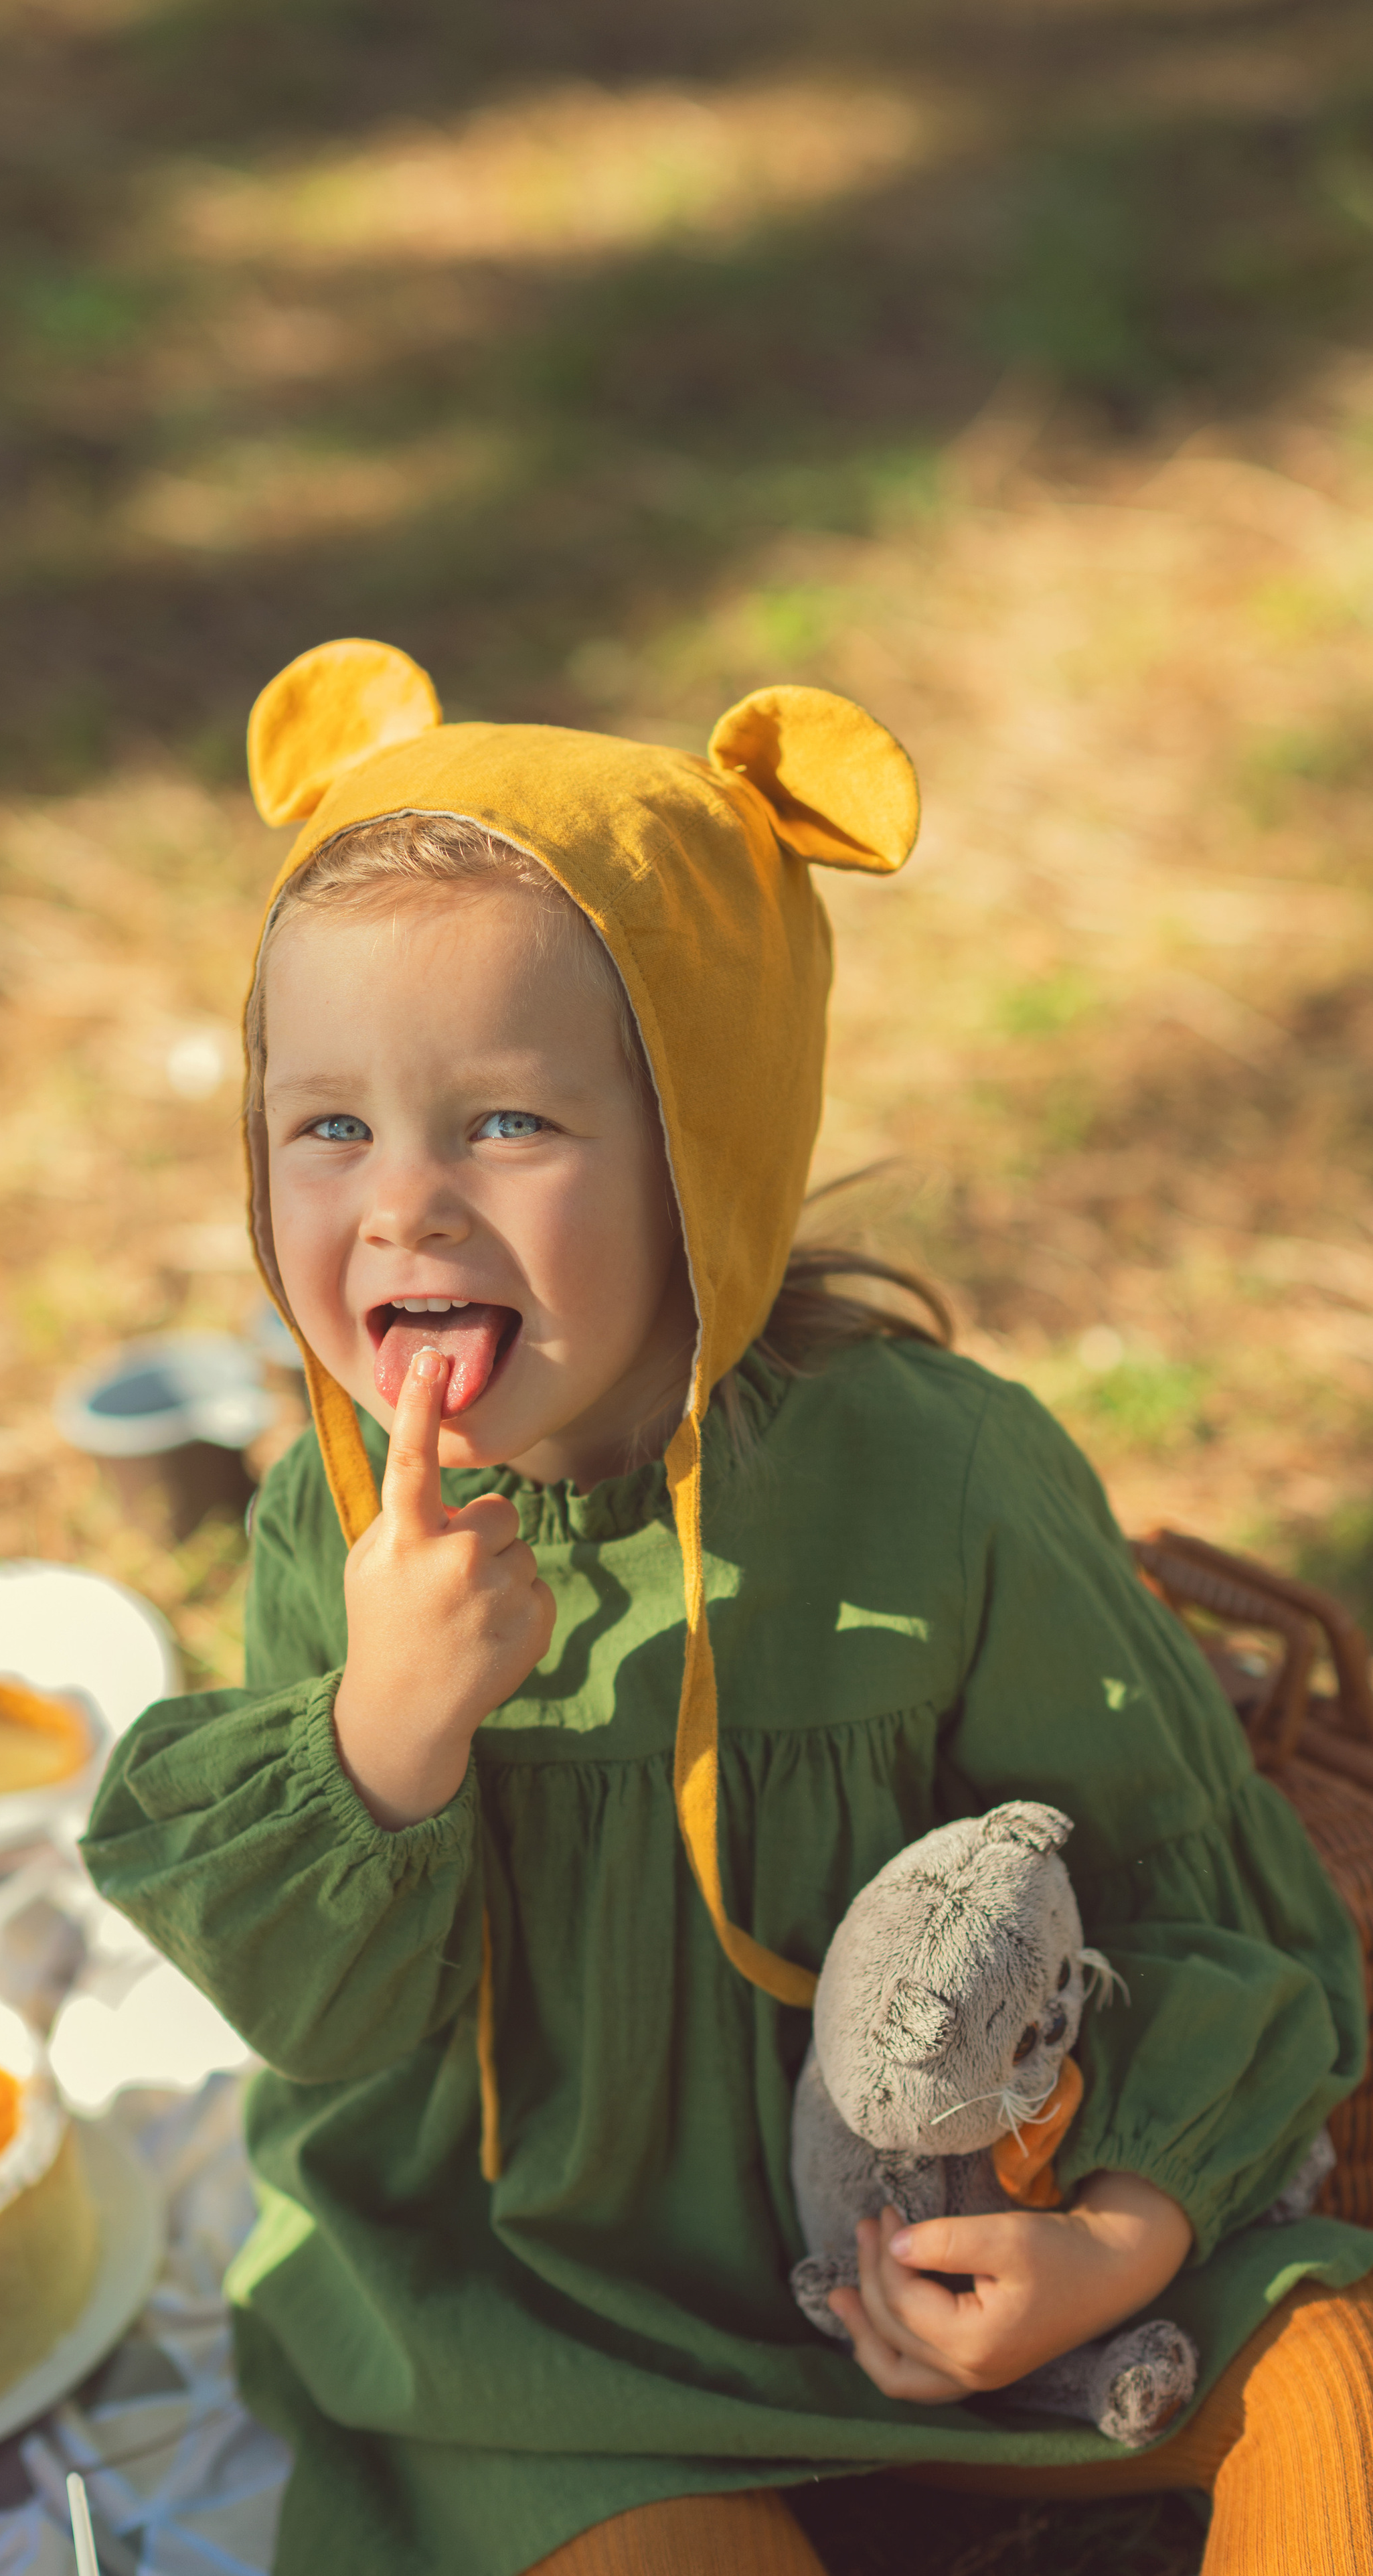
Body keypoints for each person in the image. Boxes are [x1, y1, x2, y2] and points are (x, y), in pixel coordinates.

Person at [82, 637, 1373, 2576]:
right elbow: (320, 2031)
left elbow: (1205, 1904)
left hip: (977, 2260)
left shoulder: (939, 1482)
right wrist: (390, 1736)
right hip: (543, 2339)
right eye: (330, 1125)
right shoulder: (331, 1525)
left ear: (711, 1150)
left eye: (506, 1123)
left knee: (1332, 2394)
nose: (407, 1209)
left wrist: (1110, 2235)